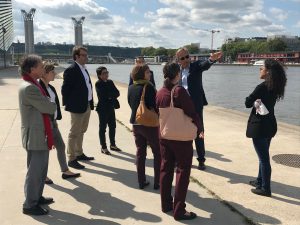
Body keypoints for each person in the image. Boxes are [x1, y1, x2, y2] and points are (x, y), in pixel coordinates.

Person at [156, 62, 204, 221]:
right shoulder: (179, 91)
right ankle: (179, 210)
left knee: (165, 169)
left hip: (164, 136)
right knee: (183, 171)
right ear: (177, 74)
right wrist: (200, 127)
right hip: (181, 139)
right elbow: (191, 111)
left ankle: (166, 205)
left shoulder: (160, 92)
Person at [19, 55, 56, 215]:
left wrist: (48, 103)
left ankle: (36, 197)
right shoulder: (30, 88)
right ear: (32, 69)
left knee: (41, 170)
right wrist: (51, 103)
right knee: (35, 171)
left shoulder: (32, 84)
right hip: (36, 135)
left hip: (38, 134)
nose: (43, 68)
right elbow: (49, 107)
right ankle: (30, 204)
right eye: (41, 66)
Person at [245, 59, 287, 197]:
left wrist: (252, 99)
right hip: (270, 125)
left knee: (264, 159)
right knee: (263, 156)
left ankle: (265, 188)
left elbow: (247, 103)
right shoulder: (275, 86)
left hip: (260, 127)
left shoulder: (262, 87)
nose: (260, 70)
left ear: (267, 71)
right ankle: (259, 181)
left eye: (261, 68)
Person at [176, 47, 222, 170]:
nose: (186, 59)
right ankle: (183, 158)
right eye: (183, 58)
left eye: (187, 56)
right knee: (183, 133)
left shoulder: (195, 66)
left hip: (195, 106)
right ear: (178, 60)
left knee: (199, 132)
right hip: (182, 107)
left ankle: (201, 160)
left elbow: (204, 65)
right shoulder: (178, 71)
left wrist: (211, 59)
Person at [39, 62, 80, 184]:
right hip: (45, 124)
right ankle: (43, 175)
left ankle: (65, 171)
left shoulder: (50, 88)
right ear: (45, 73)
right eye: (52, 72)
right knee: (45, 151)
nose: (55, 74)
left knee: (61, 146)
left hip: (54, 122)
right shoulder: (39, 88)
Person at [127, 64, 161, 190]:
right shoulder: (149, 87)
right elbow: (156, 105)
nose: (150, 74)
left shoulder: (131, 87)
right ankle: (158, 182)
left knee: (140, 152)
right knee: (157, 153)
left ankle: (141, 181)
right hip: (149, 124)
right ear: (142, 74)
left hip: (136, 123)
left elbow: (130, 103)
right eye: (147, 72)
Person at [61, 46, 95, 170]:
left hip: (86, 104)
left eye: (86, 55)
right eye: (84, 55)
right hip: (77, 106)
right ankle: (71, 158)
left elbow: (88, 86)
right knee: (74, 132)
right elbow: (65, 89)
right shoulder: (71, 70)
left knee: (82, 130)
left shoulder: (84, 69)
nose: (86, 57)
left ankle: (79, 153)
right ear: (76, 56)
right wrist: (70, 104)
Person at [95, 66, 121, 155]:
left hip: (111, 107)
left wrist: (110, 95)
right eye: (104, 73)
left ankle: (113, 145)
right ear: (99, 75)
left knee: (113, 126)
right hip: (102, 108)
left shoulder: (110, 82)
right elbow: (103, 96)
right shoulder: (98, 83)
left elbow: (117, 93)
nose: (106, 74)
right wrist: (110, 95)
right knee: (103, 128)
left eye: (107, 72)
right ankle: (103, 147)